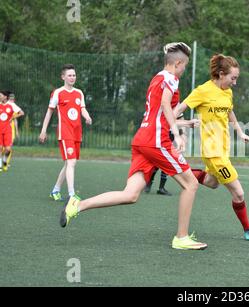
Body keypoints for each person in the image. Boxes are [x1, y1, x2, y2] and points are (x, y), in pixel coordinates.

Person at [59, 42, 208, 251]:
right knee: (191, 184)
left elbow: (161, 113)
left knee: (130, 194)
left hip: (142, 139)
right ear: (178, 63)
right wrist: (176, 132)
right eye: (185, 66)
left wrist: (184, 123)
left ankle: (78, 205)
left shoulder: (157, 78)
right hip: (155, 141)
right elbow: (166, 106)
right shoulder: (172, 79)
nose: (184, 70)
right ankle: (181, 237)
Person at [174, 54, 249, 241]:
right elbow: (176, 111)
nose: (235, 82)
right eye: (233, 78)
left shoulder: (227, 91)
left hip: (223, 150)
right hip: (212, 153)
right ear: (221, 74)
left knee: (212, 183)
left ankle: (179, 171)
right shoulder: (202, 91)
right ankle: (248, 230)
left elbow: (229, 111)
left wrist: (239, 131)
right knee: (238, 192)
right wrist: (181, 126)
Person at [39, 64, 93, 201]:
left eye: (74, 75)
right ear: (63, 77)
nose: (72, 77)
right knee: (72, 162)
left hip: (77, 132)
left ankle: (55, 190)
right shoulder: (58, 93)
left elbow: (82, 108)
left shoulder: (79, 93)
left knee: (69, 163)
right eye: (69, 75)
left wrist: (87, 116)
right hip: (65, 132)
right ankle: (71, 195)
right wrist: (44, 130)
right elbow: (49, 111)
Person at [0, 90, 24, 172]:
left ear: (5, 97)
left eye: (1, 95)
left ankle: (4, 160)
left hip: (7, 130)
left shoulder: (11, 105)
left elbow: (21, 113)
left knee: (8, 149)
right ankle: (0, 165)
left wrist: (13, 117)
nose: (0, 96)